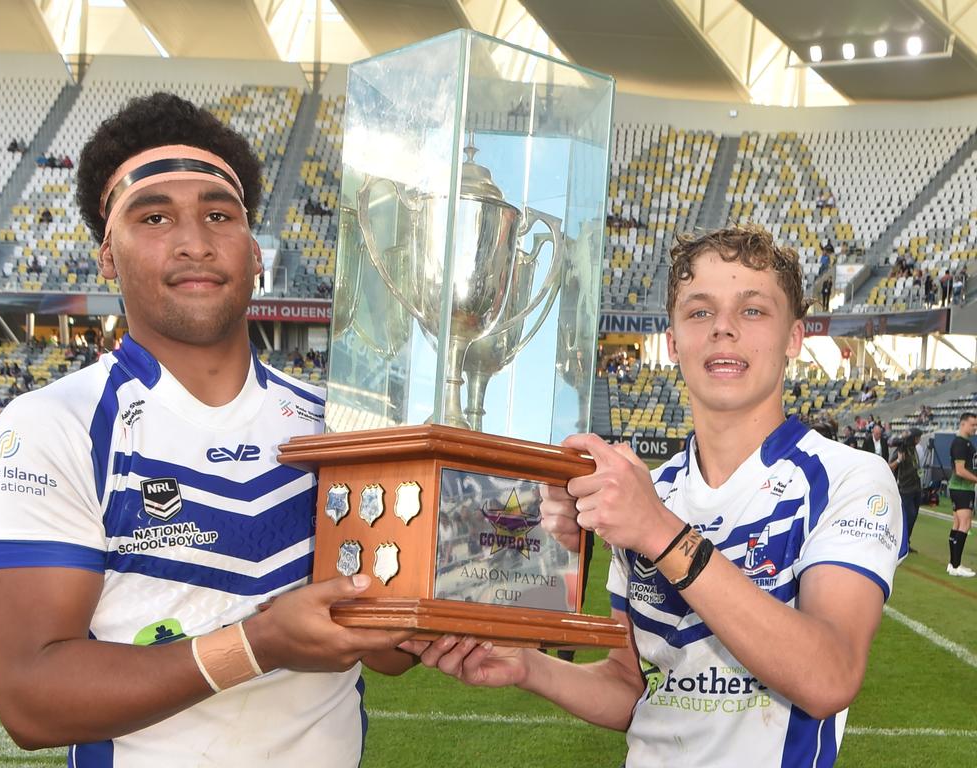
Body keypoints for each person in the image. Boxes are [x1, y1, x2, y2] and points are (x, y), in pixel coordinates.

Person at [0, 92, 414, 765]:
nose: (195, 242)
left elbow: (390, 656)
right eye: (154, 217)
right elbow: (30, 698)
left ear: (255, 252)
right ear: (107, 256)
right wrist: (258, 646)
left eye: (218, 214)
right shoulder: (51, 427)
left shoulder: (341, 425)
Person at [403, 224, 903, 767]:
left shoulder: (849, 478)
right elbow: (635, 690)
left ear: (794, 338)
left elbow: (829, 677)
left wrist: (657, 530)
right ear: (672, 341)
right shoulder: (650, 491)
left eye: (753, 311)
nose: (724, 330)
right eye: (699, 312)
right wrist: (528, 666)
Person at [946, 412, 977, 577]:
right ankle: (957, 566)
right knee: (964, 525)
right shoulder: (960, 443)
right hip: (962, 489)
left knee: (957, 524)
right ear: (963, 423)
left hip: (961, 488)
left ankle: (952, 564)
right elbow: (960, 470)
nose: (975, 428)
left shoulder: (965, 443)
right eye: (972, 425)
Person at [888, 430, 922, 553]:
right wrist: (899, 460)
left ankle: (906, 542)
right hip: (905, 488)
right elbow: (889, 466)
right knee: (909, 515)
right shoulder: (901, 450)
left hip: (916, 487)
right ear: (913, 438)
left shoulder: (914, 450)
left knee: (914, 516)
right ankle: (899, 542)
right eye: (918, 438)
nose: (919, 440)